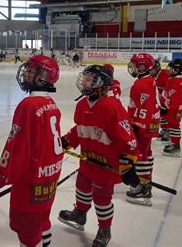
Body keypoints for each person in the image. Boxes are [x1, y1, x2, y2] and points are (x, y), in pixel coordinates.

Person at [0, 55, 63, 247]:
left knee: (28, 234)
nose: (25, 73)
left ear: (43, 76)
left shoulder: (28, 106)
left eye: (31, 70)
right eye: (26, 69)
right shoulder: (50, 103)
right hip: (47, 179)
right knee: (42, 221)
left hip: (30, 183)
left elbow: (16, 153)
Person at [58, 65, 140, 247]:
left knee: (102, 199)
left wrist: (127, 165)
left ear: (102, 83)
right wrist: (65, 142)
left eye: (90, 79)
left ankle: (104, 229)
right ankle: (80, 213)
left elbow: (128, 139)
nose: (85, 81)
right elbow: (80, 129)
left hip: (106, 166)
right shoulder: (81, 105)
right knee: (81, 187)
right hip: (87, 161)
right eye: (85, 78)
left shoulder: (112, 106)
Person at [126, 53, 159, 206]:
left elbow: (144, 108)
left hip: (143, 126)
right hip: (148, 124)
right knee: (146, 154)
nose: (131, 68)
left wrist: (136, 125)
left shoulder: (141, 84)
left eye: (134, 65)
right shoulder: (149, 80)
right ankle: (146, 182)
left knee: (141, 156)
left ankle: (144, 188)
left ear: (142, 67)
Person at [160, 59, 182, 157]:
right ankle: (174, 142)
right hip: (173, 108)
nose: (168, 70)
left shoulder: (176, 80)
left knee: (174, 126)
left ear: (176, 69)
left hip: (174, 109)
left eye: (171, 68)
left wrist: (166, 106)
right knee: (172, 125)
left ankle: (176, 145)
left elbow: (173, 97)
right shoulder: (173, 79)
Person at [150, 60, 170, 141]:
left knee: (167, 115)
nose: (150, 71)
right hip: (161, 99)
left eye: (152, 69)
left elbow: (170, 88)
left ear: (157, 68)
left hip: (167, 99)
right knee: (161, 115)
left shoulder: (164, 74)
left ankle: (168, 132)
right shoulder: (154, 76)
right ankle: (164, 130)